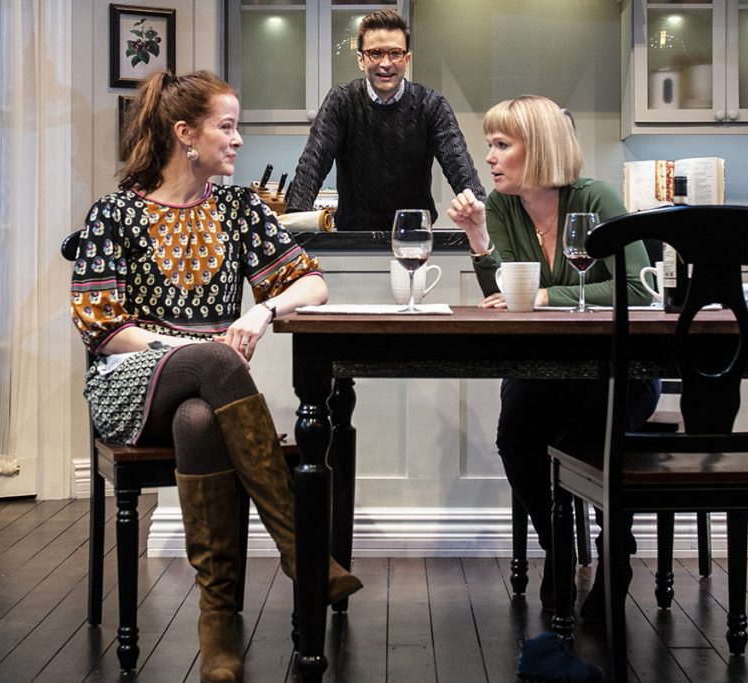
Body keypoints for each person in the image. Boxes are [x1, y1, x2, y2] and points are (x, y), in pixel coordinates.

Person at [70, 70, 362, 683]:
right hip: (126, 388)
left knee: (200, 419)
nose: (238, 139)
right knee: (215, 359)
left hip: (201, 395)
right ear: (185, 134)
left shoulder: (236, 208)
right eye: (226, 127)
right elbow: (102, 324)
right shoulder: (115, 212)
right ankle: (301, 550)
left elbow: (313, 283)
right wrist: (194, 349)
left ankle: (218, 623)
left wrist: (262, 310)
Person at [447, 95, 659, 616]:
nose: (489, 157)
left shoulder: (597, 198)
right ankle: (559, 547)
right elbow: (503, 297)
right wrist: (478, 238)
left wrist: (547, 295)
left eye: (502, 145)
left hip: (620, 370)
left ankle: (616, 553)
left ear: (538, 148)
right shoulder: (502, 207)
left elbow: (639, 288)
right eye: (490, 145)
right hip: (544, 367)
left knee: (588, 438)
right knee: (516, 437)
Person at [286, 8, 485, 231]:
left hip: (415, 237)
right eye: (376, 53)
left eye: (395, 53)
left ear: (407, 59)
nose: (386, 63)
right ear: (361, 59)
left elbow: (461, 168)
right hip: (352, 238)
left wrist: (483, 218)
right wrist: (293, 224)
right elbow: (312, 165)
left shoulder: (432, 104)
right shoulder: (341, 101)